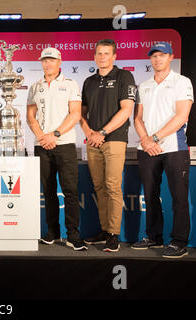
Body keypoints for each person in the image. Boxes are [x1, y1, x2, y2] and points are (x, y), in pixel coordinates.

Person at [132, 42, 194, 258]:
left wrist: (155, 138)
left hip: (173, 148)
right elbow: (137, 118)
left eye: (162, 55)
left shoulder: (182, 82)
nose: (157, 59)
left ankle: (179, 242)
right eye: (154, 56)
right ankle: (154, 237)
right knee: (150, 195)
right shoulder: (144, 85)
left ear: (171, 57)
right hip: (146, 148)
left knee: (179, 197)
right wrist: (145, 140)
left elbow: (181, 116)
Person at [26, 47, 86, 251]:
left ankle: (72, 235)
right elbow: (30, 116)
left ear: (60, 62)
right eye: (44, 60)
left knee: (70, 191)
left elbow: (75, 114)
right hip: (42, 145)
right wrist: (42, 137)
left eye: (51, 60)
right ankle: (52, 232)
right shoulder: (35, 86)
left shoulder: (70, 84)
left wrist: (55, 135)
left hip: (65, 144)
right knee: (48, 191)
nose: (48, 64)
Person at [80, 39, 136, 252]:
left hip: (114, 139)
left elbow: (126, 110)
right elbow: (81, 113)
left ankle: (113, 234)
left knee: (112, 186)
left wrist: (102, 132)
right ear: (94, 56)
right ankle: (105, 230)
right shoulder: (89, 81)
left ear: (114, 56)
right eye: (99, 53)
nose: (102, 57)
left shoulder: (124, 76)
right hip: (93, 140)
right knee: (100, 187)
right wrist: (88, 133)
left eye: (106, 53)